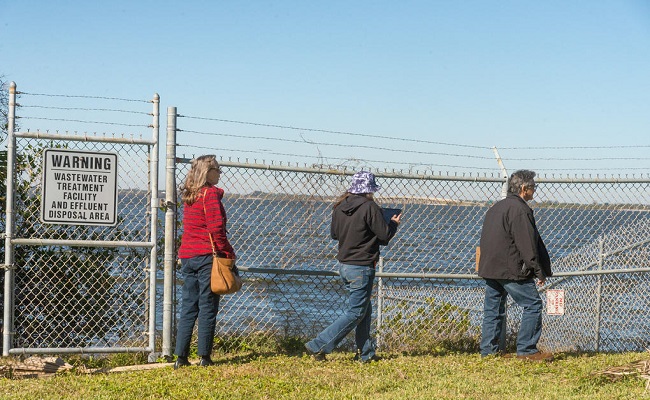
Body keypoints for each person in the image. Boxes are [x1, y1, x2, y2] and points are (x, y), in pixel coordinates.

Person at [305, 171, 401, 363]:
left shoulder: (339, 207)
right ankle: (318, 345)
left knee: (364, 309)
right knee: (356, 312)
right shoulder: (370, 207)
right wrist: (392, 223)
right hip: (362, 266)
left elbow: (334, 234)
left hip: (344, 265)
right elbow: (383, 236)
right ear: (369, 190)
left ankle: (366, 354)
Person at [478, 169, 553, 361]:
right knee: (533, 305)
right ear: (523, 188)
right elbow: (526, 243)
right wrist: (538, 271)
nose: (534, 191)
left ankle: (488, 351)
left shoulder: (496, 207)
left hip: (490, 267)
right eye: (533, 187)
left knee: (493, 310)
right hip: (510, 269)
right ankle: (527, 350)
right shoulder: (520, 210)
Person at [174, 155, 236, 369]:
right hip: (206, 257)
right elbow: (216, 229)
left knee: (189, 306)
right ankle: (204, 357)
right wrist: (228, 253)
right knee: (208, 306)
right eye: (217, 169)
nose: (220, 173)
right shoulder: (209, 195)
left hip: (187, 256)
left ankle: (181, 357)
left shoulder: (190, 195)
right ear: (207, 172)